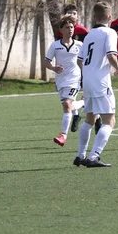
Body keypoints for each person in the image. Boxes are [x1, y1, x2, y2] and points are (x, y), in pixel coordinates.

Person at [74, 2, 118, 168]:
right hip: (101, 82)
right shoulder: (110, 33)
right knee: (110, 120)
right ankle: (93, 156)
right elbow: (110, 55)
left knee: (90, 118)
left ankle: (80, 155)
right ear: (110, 17)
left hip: (87, 80)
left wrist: (89, 72)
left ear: (94, 17)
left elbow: (79, 60)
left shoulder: (89, 35)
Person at [45, 15, 86, 146]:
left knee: (67, 105)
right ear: (61, 30)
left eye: (72, 27)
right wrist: (53, 67)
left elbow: (87, 60)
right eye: (67, 27)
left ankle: (63, 135)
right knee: (68, 105)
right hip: (61, 81)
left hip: (75, 79)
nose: (70, 29)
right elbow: (46, 61)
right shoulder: (55, 46)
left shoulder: (80, 45)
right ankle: (83, 103)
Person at [58, 3, 100, 132]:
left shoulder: (83, 32)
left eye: (74, 13)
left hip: (84, 68)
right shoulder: (62, 31)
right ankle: (76, 116)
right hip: (70, 72)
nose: (72, 16)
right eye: (69, 13)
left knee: (89, 93)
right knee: (71, 97)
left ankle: (97, 119)